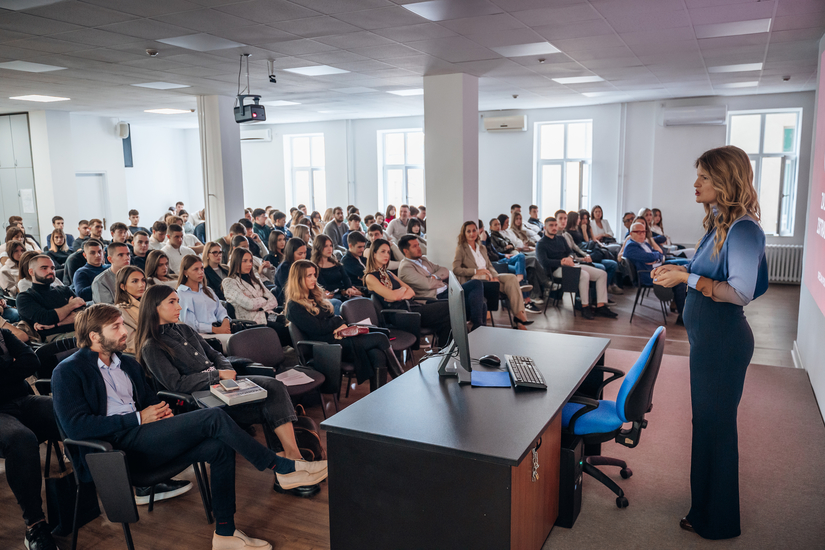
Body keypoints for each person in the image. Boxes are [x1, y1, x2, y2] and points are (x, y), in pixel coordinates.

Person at [52, 304, 327, 550]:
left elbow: (148, 401)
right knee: (213, 417)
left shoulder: (126, 363)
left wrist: (161, 413)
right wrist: (138, 418)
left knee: (219, 448)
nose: (124, 331)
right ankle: (282, 468)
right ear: (94, 337)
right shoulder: (68, 371)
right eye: (116, 327)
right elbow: (76, 427)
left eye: (123, 324)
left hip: (145, 437)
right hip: (115, 450)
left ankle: (225, 534)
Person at [651, 146, 768, 540]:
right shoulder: (721, 222)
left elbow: (742, 291)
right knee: (708, 426)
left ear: (725, 179)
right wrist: (678, 267)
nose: (695, 183)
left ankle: (717, 521)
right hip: (708, 341)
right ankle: (704, 509)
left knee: (715, 429)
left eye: (703, 176)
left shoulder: (744, 228)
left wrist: (686, 280)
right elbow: (710, 270)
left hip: (723, 342)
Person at [137, 285, 310, 471]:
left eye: (178, 301)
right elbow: (177, 384)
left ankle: (293, 458)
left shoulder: (185, 329)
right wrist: (217, 375)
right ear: (154, 307)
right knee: (270, 402)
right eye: (172, 302)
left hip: (225, 384)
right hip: (202, 398)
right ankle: (290, 466)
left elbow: (216, 355)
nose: (179, 307)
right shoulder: (152, 346)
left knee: (274, 387)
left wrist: (227, 372)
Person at [285, 259, 399, 391]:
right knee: (380, 337)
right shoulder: (294, 306)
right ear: (298, 279)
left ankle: (380, 396)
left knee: (377, 354)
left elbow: (327, 323)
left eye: (314, 275)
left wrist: (336, 323)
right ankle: (400, 376)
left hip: (337, 339)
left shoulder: (314, 296)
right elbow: (319, 328)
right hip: (326, 347)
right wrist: (338, 321)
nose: (314, 279)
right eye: (309, 276)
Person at [0, 324, 62, 550]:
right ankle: (35, 525)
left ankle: (104, 481)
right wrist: (12, 366)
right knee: (20, 439)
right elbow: (22, 364)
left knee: (66, 409)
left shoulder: (3, 334)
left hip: (22, 400)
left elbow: (32, 361)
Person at [365, 239, 452, 345]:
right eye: (383, 251)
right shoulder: (370, 277)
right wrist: (401, 292)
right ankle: (445, 351)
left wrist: (399, 292)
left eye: (388, 252)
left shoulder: (389, 274)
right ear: (374, 254)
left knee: (448, 316)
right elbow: (394, 296)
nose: (386, 255)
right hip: (400, 315)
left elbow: (411, 292)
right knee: (448, 307)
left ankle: (446, 351)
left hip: (411, 307)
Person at [452, 221, 533, 329]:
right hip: (475, 280)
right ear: (464, 233)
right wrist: (476, 271)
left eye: (474, 230)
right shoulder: (461, 249)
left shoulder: (482, 248)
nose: (472, 233)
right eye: (469, 231)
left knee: (512, 278)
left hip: (489, 276)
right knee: (489, 279)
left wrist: (495, 276)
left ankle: (519, 317)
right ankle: (519, 320)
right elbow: (456, 269)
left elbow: (490, 266)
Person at [397, 235, 485, 331]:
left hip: (447, 291)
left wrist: (434, 277)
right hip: (435, 298)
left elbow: (445, 270)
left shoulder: (424, 260)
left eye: (418, 245)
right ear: (406, 251)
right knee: (478, 305)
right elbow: (427, 284)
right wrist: (438, 279)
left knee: (476, 284)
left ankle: (477, 327)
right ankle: (476, 329)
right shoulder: (406, 268)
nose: (419, 248)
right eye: (415, 246)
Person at [535, 217, 617, 320]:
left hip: (570, 265)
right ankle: (585, 307)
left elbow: (570, 252)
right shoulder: (541, 244)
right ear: (545, 227)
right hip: (555, 271)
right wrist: (561, 261)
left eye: (555, 225)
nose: (554, 227)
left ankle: (600, 306)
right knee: (584, 275)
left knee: (601, 274)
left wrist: (570, 258)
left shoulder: (561, 238)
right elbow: (544, 262)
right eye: (551, 225)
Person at [222, 248, 291, 346]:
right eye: (244, 261)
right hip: (251, 321)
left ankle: (306, 355)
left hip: (268, 315)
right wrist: (264, 300)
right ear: (236, 262)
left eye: (250, 261)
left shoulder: (255, 279)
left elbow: (273, 300)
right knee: (284, 330)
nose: (249, 264)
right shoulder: (229, 282)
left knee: (291, 323)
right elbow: (249, 304)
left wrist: (258, 305)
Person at [624, 221, 686, 321]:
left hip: (655, 269)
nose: (642, 234)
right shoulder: (631, 247)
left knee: (679, 269)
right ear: (631, 234)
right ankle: (682, 316)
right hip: (647, 275)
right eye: (638, 232)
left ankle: (682, 311)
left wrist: (655, 257)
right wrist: (656, 256)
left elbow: (659, 254)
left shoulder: (643, 243)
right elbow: (650, 256)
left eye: (644, 232)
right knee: (679, 281)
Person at [16, 255, 85, 341]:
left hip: (81, 330)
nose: (50, 271)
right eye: (44, 268)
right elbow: (46, 319)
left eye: (52, 268)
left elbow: (83, 314)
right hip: (55, 339)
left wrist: (54, 324)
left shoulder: (64, 290)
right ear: (31, 272)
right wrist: (71, 306)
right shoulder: (25, 297)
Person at [555, 210, 623, 296]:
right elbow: (571, 253)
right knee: (601, 267)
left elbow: (575, 248)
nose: (563, 220)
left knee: (611, 262)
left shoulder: (567, 235)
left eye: (565, 218)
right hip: (575, 260)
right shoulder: (563, 235)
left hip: (583, 254)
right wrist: (582, 258)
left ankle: (604, 293)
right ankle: (596, 297)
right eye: (560, 218)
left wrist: (586, 255)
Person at [176, 255, 232, 347]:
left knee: (241, 340)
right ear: (186, 272)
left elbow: (220, 310)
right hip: (201, 336)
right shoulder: (182, 293)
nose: (201, 272)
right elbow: (190, 324)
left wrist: (225, 321)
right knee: (236, 343)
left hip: (218, 331)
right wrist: (215, 330)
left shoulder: (207, 290)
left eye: (202, 268)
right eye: (196, 269)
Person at [311, 235, 362, 303]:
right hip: (331, 296)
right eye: (326, 246)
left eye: (331, 245)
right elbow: (324, 286)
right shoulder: (315, 267)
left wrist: (348, 287)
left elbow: (346, 278)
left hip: (343, 293)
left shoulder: (336, 263)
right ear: (318, 247)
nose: (330, 249)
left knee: (361, 300)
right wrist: (341, 290)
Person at [113, 266, 145, 354]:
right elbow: (131, 344)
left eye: (143, 280)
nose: (141, 284)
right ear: (123, 286)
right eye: (135, 281)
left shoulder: (150, 302)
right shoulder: (120, 311)